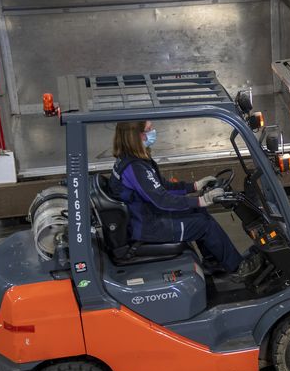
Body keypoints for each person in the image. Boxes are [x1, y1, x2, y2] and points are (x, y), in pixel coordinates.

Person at [108, 120, 261, 280]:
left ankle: (213, 263)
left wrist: (194, 186)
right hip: (149, 227)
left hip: (145, 217)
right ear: (136, 136)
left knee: (198, 210)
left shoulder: (133, 160)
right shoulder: (136, 167)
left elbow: (162, 187)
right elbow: (163, 200)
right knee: (204, 225)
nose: (153, 131)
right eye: (149, 129)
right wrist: (202, 200)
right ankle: (237, 268)